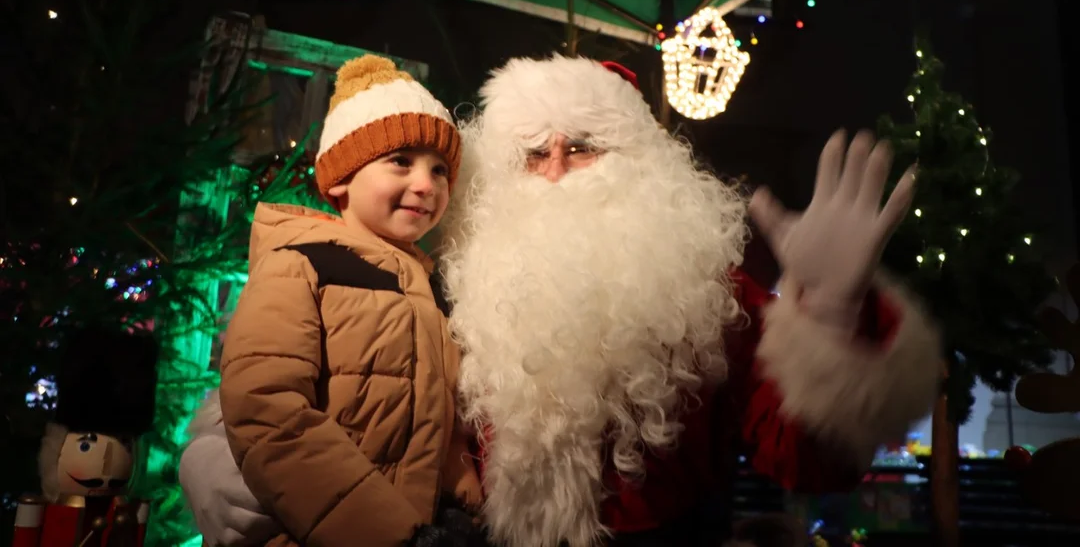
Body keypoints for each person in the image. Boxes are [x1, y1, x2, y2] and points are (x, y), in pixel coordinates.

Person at [181, 55, 943, 547]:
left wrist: (834, 315)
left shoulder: (705, 289)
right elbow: (316, 376)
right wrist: (223, 453)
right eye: (531, 153)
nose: (553, 172)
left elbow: (807, 460)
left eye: (581, 146)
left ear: (641, 163)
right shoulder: (444, 276)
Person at [191, 55, 484, 547]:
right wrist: (393, 536)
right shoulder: (300, 263)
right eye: (401, 161)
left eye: (439, 170)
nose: (426, 185)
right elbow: (267, 407)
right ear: (343, 176)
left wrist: (465, 507)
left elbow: (440, 421)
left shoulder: (433, 294)